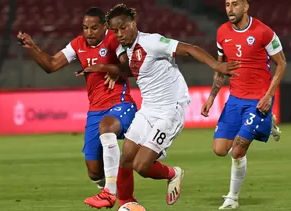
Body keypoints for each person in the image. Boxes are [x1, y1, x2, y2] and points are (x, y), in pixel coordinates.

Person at [84, 3, 239, 208]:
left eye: (123, 27)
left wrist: (217, 65)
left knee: (141, 166)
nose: (119, 34)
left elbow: (189, 49)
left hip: (169, 110)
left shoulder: (152, 42)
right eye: (115, 31)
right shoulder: (125, 49)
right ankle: (127, 203)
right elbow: (134, 69)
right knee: (126, 158)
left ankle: (173, 173)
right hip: (148, 109)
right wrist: (111, 70)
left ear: (133, 24)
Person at [17, 7, 137, 208]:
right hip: (95, 110)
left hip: (120, 103)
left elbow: (129, 68)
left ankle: (114, 192)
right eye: (85, 28)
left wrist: (106, 68)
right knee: (93, 172)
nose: (89, 32)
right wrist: (32, 48)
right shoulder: (78, 44)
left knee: (107, 129)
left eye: (94, 28)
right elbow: (52, 65)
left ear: (105, 27)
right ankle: (111, 184)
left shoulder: (113, 40)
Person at [200, 0, 286, 209]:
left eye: (235, 4)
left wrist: (268, 96)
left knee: (238, 150)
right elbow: (221, 67)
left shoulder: (264, 32)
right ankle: (268, 124)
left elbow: (282, 63)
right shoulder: (222, 32)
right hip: (235, 99)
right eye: (227, 4)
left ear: (246, 7)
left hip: (258, 101)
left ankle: (233, 198)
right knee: (220, 150)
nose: (230, 9)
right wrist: (212, 97)